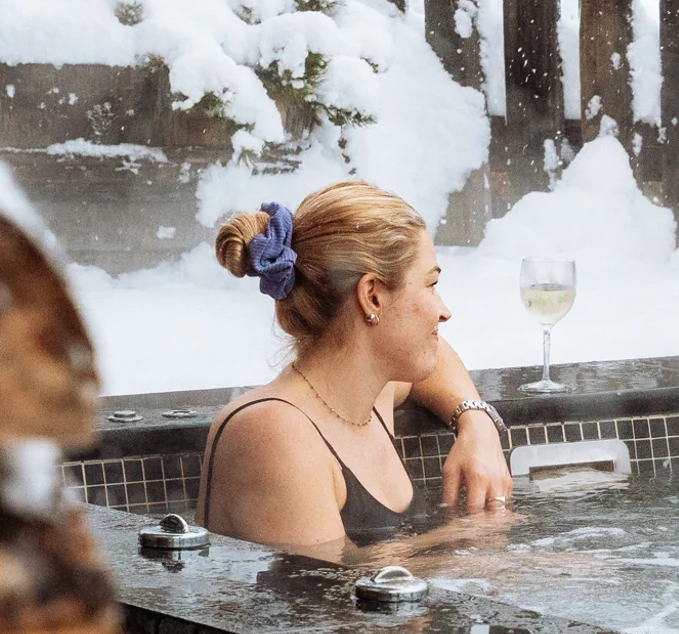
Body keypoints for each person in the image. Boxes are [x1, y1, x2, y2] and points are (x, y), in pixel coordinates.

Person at [198, 180, 515, 560]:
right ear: (372, 296)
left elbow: (434, 358)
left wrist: (476, 423)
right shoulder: (275, 433)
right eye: (431, 284)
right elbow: (337, 593)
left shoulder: (371, 391)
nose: (443, 310)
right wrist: (477, 537)